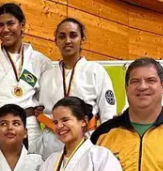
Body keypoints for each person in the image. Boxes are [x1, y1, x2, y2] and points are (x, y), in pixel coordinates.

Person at [0, 3, 53, 154]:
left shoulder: (40, 61)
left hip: (26, 128)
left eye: (10, 23)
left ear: (22, 25)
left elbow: (46, 99)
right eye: (0, 25)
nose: (5, 29)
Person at [37, 18, 117, 159]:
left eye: (73, 35)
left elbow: (108, 113)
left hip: (86, 139)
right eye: (62, 36)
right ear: (56, 41)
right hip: (52, 143)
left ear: (82, 39)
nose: (67, 40)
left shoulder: (96, 71)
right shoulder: (47, 76)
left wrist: (104, 146)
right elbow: (37, 110)